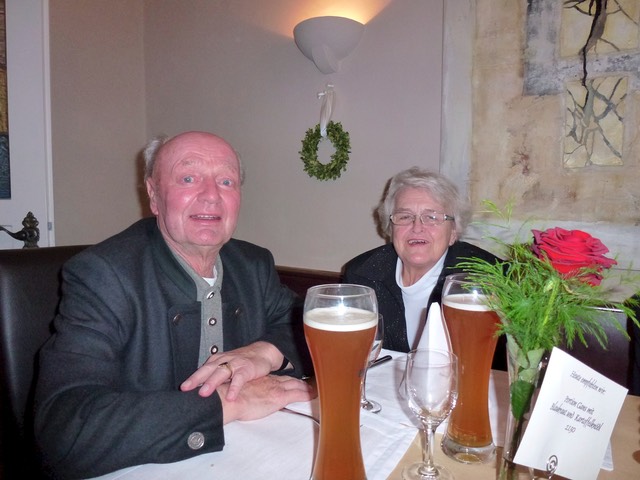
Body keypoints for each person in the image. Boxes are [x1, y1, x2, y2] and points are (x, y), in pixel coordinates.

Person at [33, 131, 314, 479]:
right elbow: (65, 429)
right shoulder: (103, 275)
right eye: (188, 178)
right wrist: (229, 402)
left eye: (226, 181)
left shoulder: (253, 264)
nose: (211, 195)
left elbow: (307, 324)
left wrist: (265, 352)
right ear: (154, 196)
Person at [343, 166, 506, 367]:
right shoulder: (362, 275)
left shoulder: (490, 277)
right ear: (390, 228)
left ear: (453, 232)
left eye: (432, 217)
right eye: (405, 217)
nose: (417, 227)